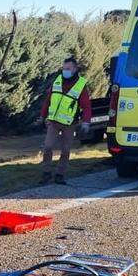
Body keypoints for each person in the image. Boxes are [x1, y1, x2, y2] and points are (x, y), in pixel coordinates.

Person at [39, 57, 92, 185]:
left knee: (65, 150)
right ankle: (46, 173)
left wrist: (86, 122)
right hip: (53, 122)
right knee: (47, 147)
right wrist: (42, 116)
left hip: (69, 124)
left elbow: (86, 106)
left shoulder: (80, 86)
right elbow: (48, 100)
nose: (65, 71)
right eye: (63, 69)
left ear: (75, 69)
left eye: (68, 69)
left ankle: (60, 174)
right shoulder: (57, 81)